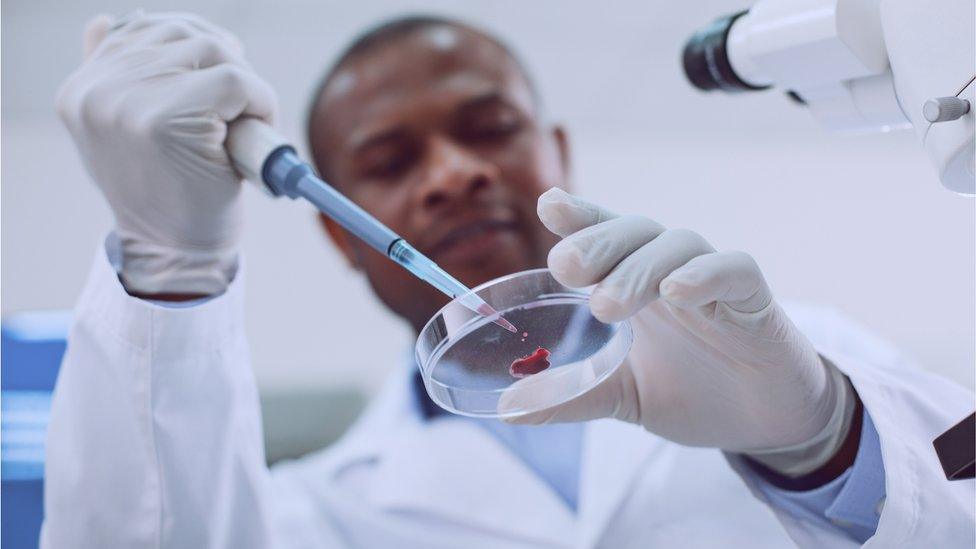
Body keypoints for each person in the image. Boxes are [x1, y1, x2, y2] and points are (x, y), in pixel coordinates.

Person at [44, 11, 974, 548]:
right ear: (337, 234)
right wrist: (173, 273)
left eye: (489, 127)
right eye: (390, 156)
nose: (453, 172)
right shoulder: (313, 511)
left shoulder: (795, 352)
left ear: (558, 150)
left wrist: (826, 441)